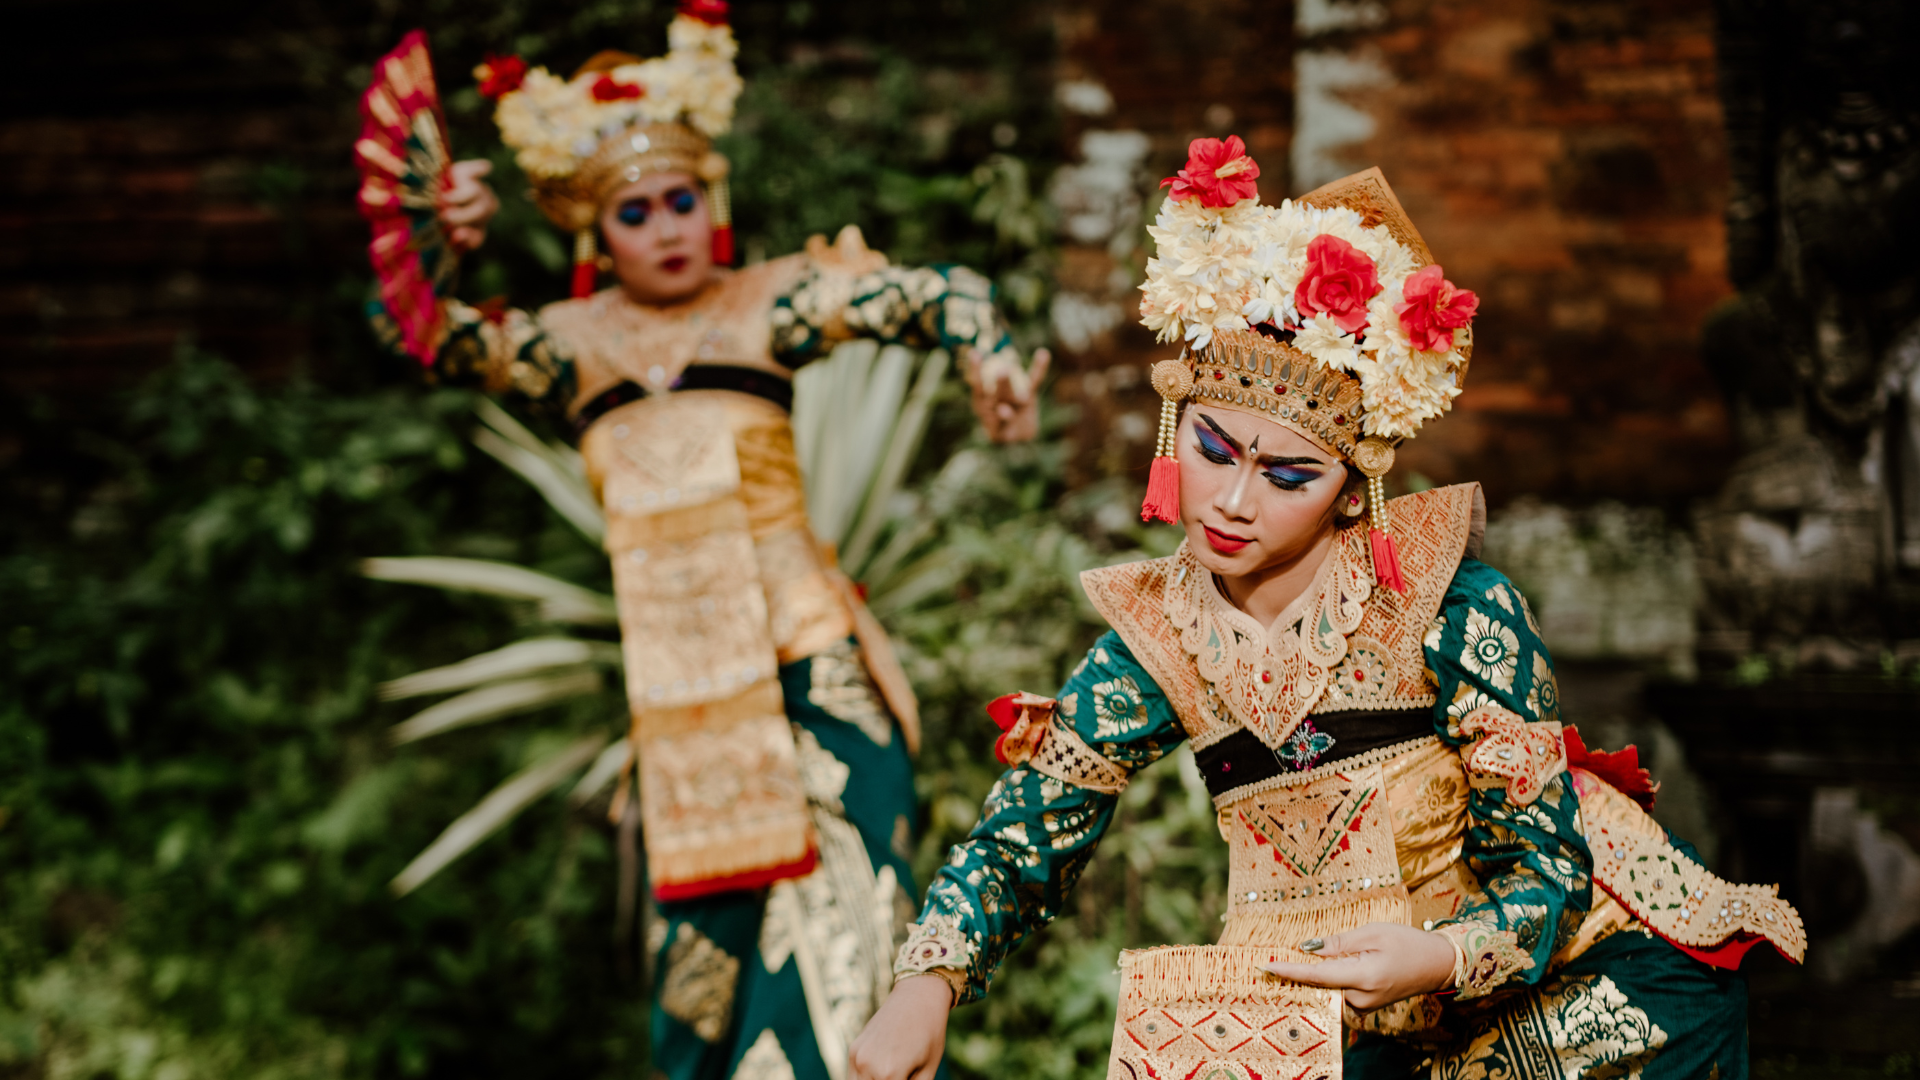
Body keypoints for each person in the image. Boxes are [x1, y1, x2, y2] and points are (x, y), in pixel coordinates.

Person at [849, 144, 1804, 1080]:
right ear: (1178, 425)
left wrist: (1438, 956)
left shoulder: (1452, 608)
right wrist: (926, 984)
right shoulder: (1157, 639)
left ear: (1352, 491)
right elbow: (1026, 830)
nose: (1232, 502)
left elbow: (1546, 873)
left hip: (1590, 976)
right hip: (1364, 1014)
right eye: (1214, 452)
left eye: (1288, 476)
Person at [362, 5, 1046, 1078]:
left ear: (712, 202)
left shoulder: (768, 305)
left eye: (682, 200)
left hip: (812, 672)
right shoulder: (567, 346)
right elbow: (414, 330)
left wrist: (990, 356)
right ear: (596, 231)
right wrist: (444, 242)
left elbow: (939, 293)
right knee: (702, 996)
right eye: (635, 212)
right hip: (685, 711)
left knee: (854, 954)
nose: (666, 228)